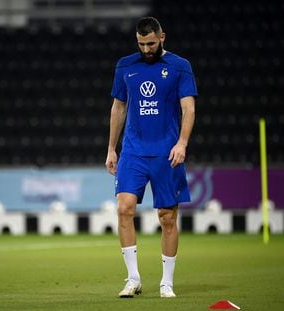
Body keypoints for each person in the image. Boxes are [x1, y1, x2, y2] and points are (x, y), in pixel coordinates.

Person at [105, 16, 197, 298]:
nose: (146, 49)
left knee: (167, 217)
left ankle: (166, 282)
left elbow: (189, 108)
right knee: (124, 208)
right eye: (142, 44)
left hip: (166, 152)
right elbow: (118, 108)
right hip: (133, 151)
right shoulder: (125, 66)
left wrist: (182, 143)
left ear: (162, 37)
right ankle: (133, 278)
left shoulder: (180, 67)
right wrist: (112, 148)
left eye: (151, 43)